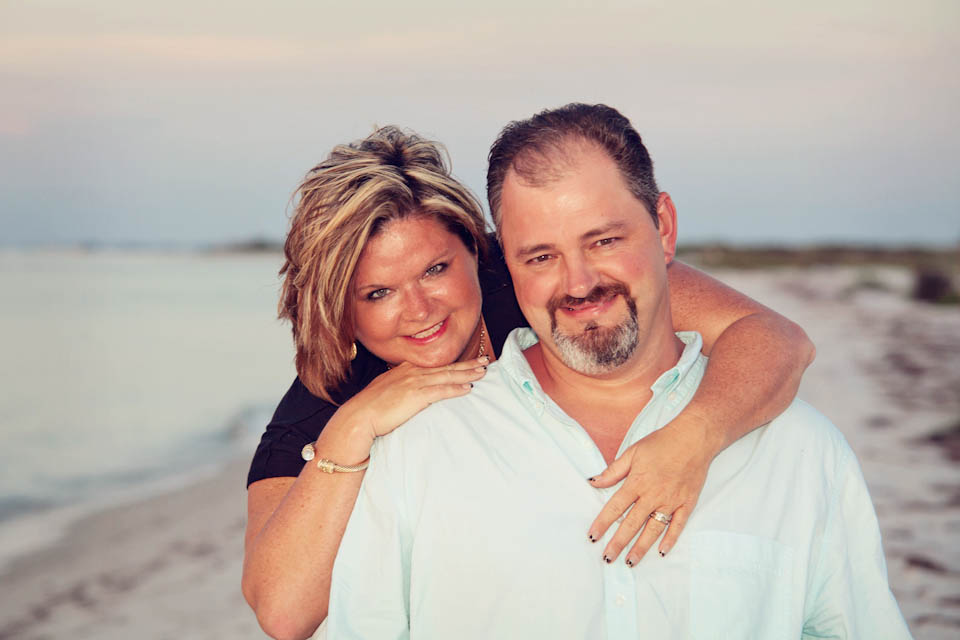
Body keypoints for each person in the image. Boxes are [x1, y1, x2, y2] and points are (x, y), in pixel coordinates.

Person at [324, 105, 910, 638]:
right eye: (541, 257)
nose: (578, 283)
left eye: (603, 240)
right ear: (507, 264)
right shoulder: (417, 452)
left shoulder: (800, 452)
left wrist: (699, 434)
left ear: (665, 227)